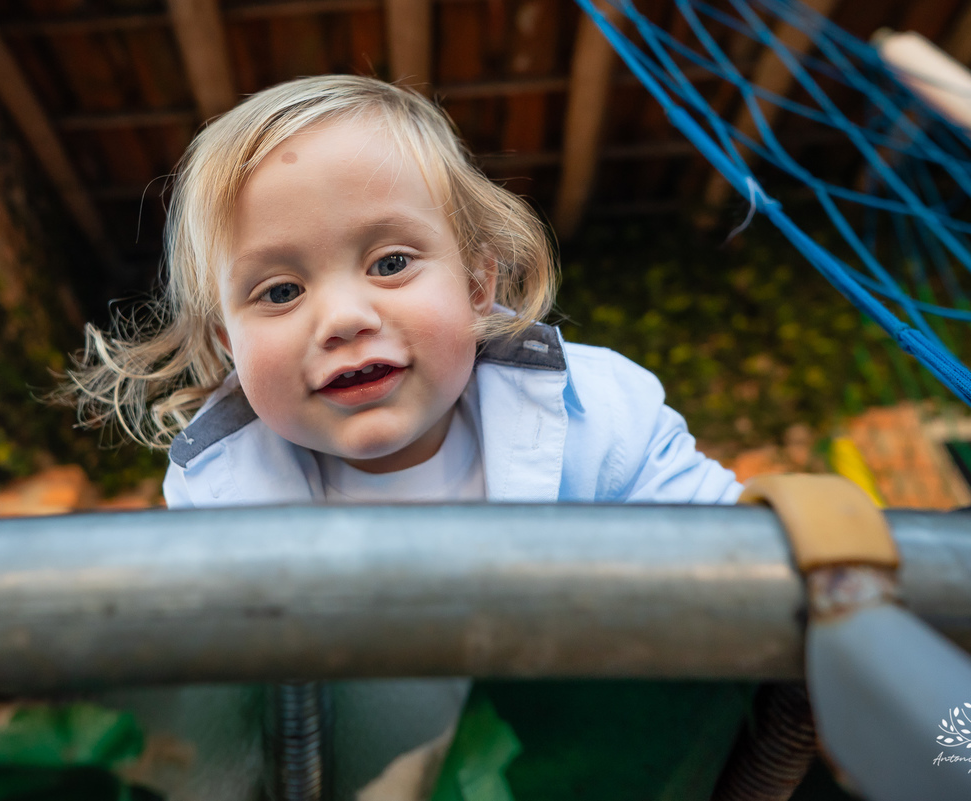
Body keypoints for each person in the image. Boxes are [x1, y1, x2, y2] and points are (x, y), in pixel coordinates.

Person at [64, 74, 742, 801]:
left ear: (478, 284)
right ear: (230, 341)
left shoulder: (595, 407)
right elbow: (210, 729)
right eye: (281, 292)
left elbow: (736, 563)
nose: (343, 317)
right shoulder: (218, 490)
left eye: (390, 263)